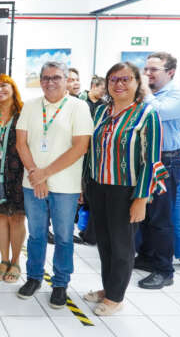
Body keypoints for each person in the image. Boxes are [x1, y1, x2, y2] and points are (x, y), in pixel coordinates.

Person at [85, 62, 167, 315]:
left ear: (136, 82)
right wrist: (84, 185)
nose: (118, 84)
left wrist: (141, 198)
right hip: (98, 186)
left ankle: (116, 297)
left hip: (127, 190)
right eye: (113, 79)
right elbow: (90, 150)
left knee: (122, 246)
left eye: (125, 79)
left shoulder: (147, 114)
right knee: (105, 243)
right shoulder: (101, 111)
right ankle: (108, 288)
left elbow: (152, 160)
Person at [15, 61, 93, 309]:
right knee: (36, 234)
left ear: (66, 79)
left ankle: (60, 284)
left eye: (56, 77)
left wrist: (44, 174)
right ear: (40, 81)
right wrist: (35, 174)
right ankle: (34, 278)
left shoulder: (78, 107)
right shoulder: (30, 106)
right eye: (46, 78)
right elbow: (21, 143)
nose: (50, 82)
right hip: (32, 183)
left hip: (65, 186)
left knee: (63, 237)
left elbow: (80, 147)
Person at [135, 52, 180, 288]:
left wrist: (144, 91)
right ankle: (146, 257)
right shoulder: (151, 95)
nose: (147, 74)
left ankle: (164, 271)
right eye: (145, 69)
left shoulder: (178, 95)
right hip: (146, 159)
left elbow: (158, 113)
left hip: (166, 161)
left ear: (170, 72)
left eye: (153, 70)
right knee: (145, 214)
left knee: (161, 218)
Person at [0, 74, 25, 283]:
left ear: (13, 87)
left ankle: (16, 262)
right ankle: (3, 260)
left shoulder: (24, 113)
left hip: (18, 173)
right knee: (0, 216)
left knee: (16, 217)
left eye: (3, 86)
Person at [78, 75, 106, 246]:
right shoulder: (81, 102)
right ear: (93, 86)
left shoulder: (104, 106)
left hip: (94, 153)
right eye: (102, 89)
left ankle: (89, 232)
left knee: (91, 192)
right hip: (80, 149)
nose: (104, 93)